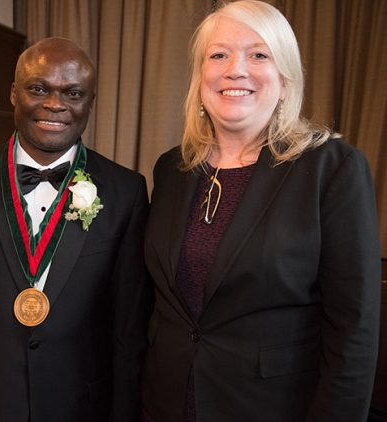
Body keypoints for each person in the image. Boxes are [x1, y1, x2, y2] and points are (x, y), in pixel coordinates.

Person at [140, 1, 381, 421]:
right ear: (200, 79)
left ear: (285, 81)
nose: (236, 69)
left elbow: (354, 329)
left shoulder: (332, 168)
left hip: (274, 407)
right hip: (167, 402)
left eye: (258, 54)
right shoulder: (172, 169)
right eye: (218, 55)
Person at [0, 37, 152, 421]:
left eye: (73, 93)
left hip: (82, 407)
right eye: (39, 89)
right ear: (14, 94)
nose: (55, 104)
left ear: (89, 103)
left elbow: (128, 330)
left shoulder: (126, 191)